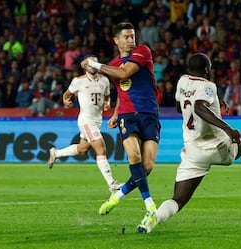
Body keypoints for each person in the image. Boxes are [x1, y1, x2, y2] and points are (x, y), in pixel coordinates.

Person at [136, 53, 241, 233]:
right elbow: (199, 106)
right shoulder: (208, 85)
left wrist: (216, 102)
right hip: (216, 147)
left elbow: (180, 107)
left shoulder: (182, 81)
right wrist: (228, 129)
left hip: (193, 152)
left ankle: (153, 219)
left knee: (178, 200)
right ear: (206, 70)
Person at [81, 22, 161, 230]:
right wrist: (116, 112)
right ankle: (150, 207)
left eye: (132, 36)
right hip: (127, 116)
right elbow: (121, 91)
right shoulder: (113, 63)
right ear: (116, 40)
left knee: (147, 166)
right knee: (133, 156)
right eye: (126, 37)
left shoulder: (142, 51)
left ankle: (119, 194)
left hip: (149, 114)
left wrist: (95, 65)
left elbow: (124, 74)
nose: (130, 40)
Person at [47, 54, 121, 194]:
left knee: (83, 149)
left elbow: (106, 96)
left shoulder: (104, 80)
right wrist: (66, 101)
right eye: (90, 63)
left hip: (97, 120)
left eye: (95, 63)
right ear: (86, 66)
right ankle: (111, 183)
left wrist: (106, 103)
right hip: (86, 120)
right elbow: (67, 94)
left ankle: (56, 153)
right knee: (101, 149)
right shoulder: (78, 81)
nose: (93, 66)